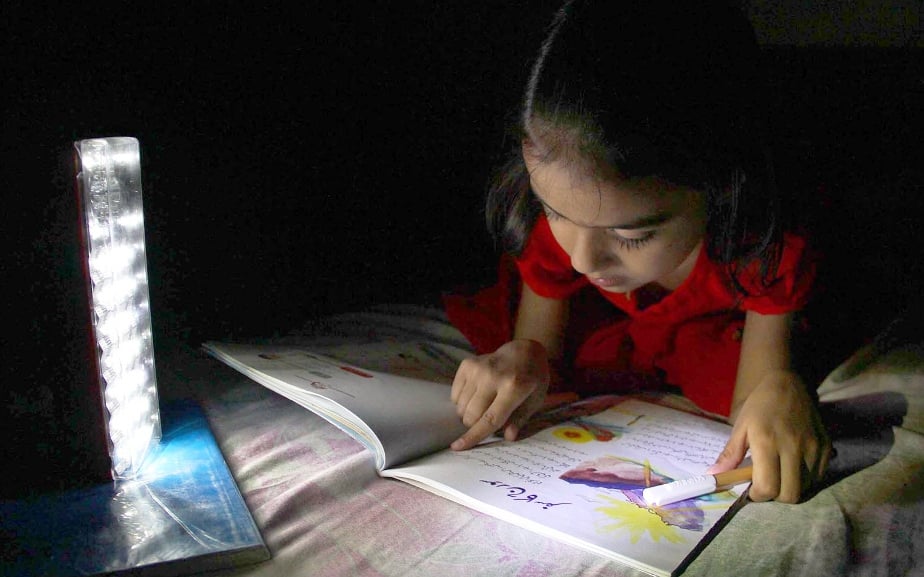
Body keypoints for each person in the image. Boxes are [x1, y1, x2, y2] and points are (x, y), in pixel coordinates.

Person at [443, 0, 831, 504]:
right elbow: (542, 360)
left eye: (631, 235)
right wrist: (527, 357)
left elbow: (749, 415)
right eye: (554, 210)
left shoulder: (760, 248)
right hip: (599, 329)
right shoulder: (564, 232)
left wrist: (779, 389)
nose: (583, 260)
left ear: (721, 187)